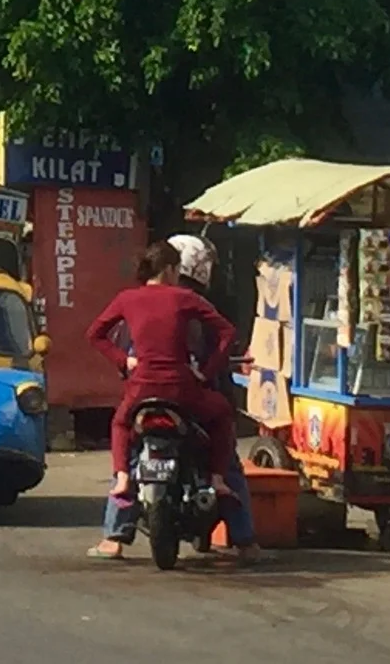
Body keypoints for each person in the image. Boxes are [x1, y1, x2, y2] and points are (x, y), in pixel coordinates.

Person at [99, 235, 260, 563]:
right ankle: (245, 541)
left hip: (142, 395)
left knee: (131, 455)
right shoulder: (194, 303)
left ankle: (114, 537)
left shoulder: (136, 299)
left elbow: (106, 338)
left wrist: (126, 365)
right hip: (190, 396)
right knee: (227, 460)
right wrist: (208, 374)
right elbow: (223, 343)